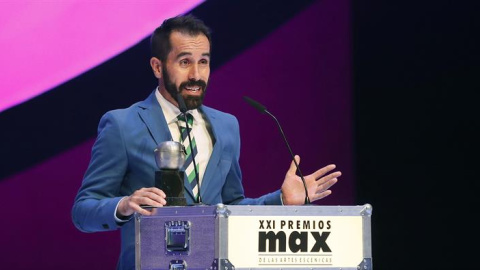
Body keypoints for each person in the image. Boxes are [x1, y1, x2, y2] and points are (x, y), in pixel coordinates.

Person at [72, 14, 341, 269]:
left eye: (204, 62)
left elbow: (232, 207)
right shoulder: (122, 124)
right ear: (157, 66)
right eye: (184, 62)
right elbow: (83, 211)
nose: (196, 75)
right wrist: (123, 205)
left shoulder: (227, 126)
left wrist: (281, 200)